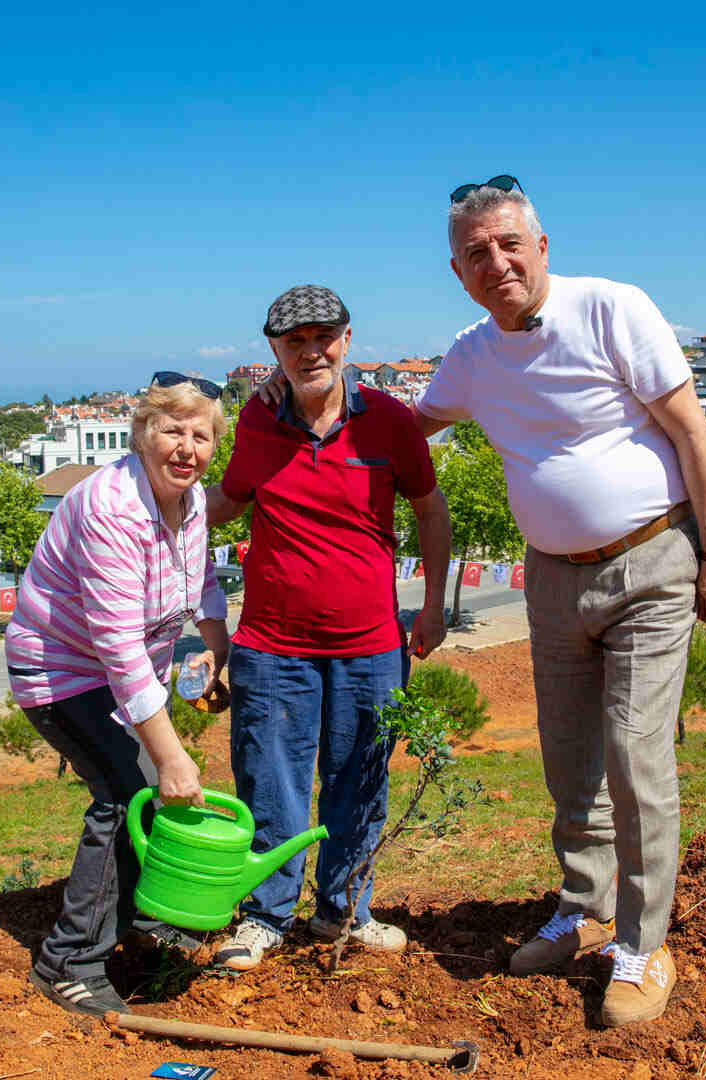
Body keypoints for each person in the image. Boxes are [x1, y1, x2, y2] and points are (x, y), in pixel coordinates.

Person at [414, 176, 706, 1027]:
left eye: (509, 244)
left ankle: (643, 941)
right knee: (568, 761)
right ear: (459, 273)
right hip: (552, 580)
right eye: (476, 254)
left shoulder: (613, 309)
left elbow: (692, 430)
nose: (497, 263)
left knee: (636, 758)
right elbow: (407, 430)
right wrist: (308, 407)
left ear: (542, 246)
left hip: (650, 563)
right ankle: (585, 908)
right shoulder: (471, 354)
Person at [206, 284, 452, 971]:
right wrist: (158, 510)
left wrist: (432, 608)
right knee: (269, 784)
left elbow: (431, 512)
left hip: (371, 644)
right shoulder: (256, 424)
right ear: (274, 351)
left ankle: (344, 911)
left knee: (360, 781)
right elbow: (228, 500)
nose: (311, 352)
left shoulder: (392, 423)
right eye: (294, 342)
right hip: (271, 645)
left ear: (347, 340)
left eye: (323, 337)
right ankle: (264, 917)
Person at [4, 373, 231, 1016]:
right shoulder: (110, 508)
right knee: (126, 790)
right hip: (60, 673)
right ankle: (68, 961)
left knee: (146, 789)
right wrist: (171, 755)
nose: (186, 448)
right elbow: (118, 647)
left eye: (201, 435)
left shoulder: (189, 503)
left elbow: (203, 581)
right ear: (140, 435)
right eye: (171, 430)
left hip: (119, 676)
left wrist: (216, 648)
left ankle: (140, 918)